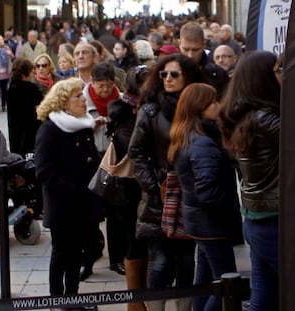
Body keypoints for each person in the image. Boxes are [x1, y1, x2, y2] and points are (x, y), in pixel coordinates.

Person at [128, 54, 204, 311]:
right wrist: (152, 185)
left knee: (186, 261)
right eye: (164, 74)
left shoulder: (198, 108)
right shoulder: (150, 110)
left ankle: (184, 308)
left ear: (188, 77)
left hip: (191, 194)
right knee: (160, 262)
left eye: (174, 74)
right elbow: (136, 153)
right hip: (160, 195)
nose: (168, 79)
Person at [168, 83, 243, 311]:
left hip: (200, 222)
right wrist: (227, 212)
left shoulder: (188, 137)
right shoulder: (202, 143)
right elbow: (208, 191)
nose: (217, 106)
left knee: (205, 281)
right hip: (212, 224)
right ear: (199, 108)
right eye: (212, 102)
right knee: (226, 283)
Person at [219, 50, 281, 311]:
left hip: (257, 219)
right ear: (263, 77)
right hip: (274, 222)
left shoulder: (243, 116)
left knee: (262, 299)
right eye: (278, 70)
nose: (283, 75)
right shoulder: (266, 119)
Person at [34, 78, 101, 306]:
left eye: (82, 95)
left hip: (83, 204)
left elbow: (90, 161)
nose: (84, 100)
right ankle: (56, 299)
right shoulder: (50, 129)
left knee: (76, 255)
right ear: (64, 103)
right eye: (78, 97)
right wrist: (73, 189)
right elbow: (43, 172)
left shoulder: (84, 126)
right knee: (61, 253)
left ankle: (72, 299)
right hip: (63, 206)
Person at [81, 61, 122, 280]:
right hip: (92, 161)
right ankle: (89, 259)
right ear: (92, 83)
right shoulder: (81, 100)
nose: (105, 90)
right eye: (100, 86)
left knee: (117, 214)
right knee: (91, 214)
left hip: (115, 162)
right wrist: (91, 124)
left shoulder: (121, 99)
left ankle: (117, 259)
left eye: (108, 85)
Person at [106, 99, 147, 311]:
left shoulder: (121, 127)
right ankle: (136, 301)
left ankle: (138, 299)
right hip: (130, 193)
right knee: (135, 244)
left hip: (128, 193)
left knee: (136, 243)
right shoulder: (126, 129)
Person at [179, 21, 229, 100]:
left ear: (204, 45)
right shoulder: (169, 72)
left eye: (195, 50)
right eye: (185, 49)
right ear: (179, 44)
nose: (190, 55)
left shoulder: (218, 74)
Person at [7, 57, 43, 156]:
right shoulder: (32, 89)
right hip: (32, 132)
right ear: (24, 74)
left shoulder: (11, 90)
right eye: (31, 72)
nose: (33, 74)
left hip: (16, 133)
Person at [0, 34, 12, 113]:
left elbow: (12, 56)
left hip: (5, 74)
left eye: (2, 39)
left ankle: (4, 105)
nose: (2, 40)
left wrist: (8, 53)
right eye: (0, 39)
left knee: (4, 91)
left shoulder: (6, 48)